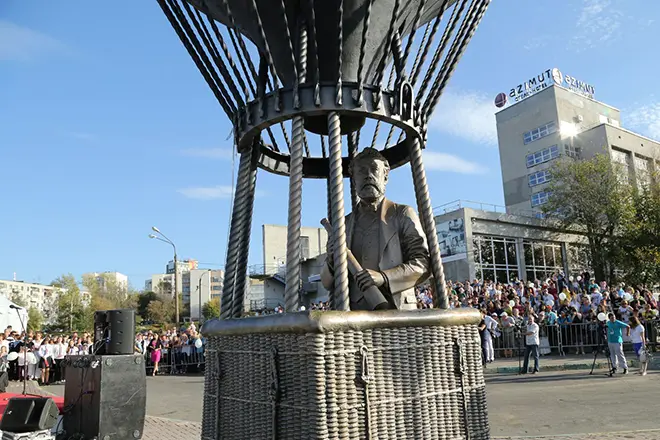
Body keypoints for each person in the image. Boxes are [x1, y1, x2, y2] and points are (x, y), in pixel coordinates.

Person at [321, 148, 430, 310]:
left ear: (385, 175)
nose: (368, 175)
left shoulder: (402, 214)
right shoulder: (343, 224)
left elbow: (423, 263)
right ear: (353, 179)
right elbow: (326, 282)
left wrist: (384, 277)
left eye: (374, 169)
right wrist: (331, 260)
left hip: (396, 310)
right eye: (361, 171)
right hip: (353, 314)